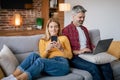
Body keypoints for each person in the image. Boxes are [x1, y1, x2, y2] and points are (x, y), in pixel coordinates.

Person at [2, 18, 73, 80]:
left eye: (56, 27)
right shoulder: (43, 40)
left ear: (58, 28)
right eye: (51, 27)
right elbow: (42, 57)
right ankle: (12, 76)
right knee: (33, 55)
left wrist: (61, 49)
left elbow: (70, 56)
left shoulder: (64, 38)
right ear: (48, 28)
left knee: (41, 61)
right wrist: (47, 50)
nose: (53, 29)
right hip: (48, 64)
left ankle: (19, 79)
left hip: (62, 64)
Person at [62, 5, 114, 80]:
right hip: (75, 57)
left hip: (87, 54)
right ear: (73, 16)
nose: (82, 19)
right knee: (93, 67)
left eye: (83, 17)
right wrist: (80, 51)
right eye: (80, 17)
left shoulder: (84, 29)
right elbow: (66, 50)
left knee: (106, 64)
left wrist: (95, 48)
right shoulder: (66, 30)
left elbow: (89, 44)